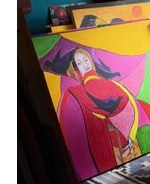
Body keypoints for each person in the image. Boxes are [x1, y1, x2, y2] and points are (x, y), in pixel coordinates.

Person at [45, 47, 140, 177]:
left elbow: (124, 105)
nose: (85, 64)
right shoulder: (73, 92)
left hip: (126, 142)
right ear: (74, 68)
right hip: (105, 147)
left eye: (85, 60)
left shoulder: (109, 84)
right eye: (79, 63)